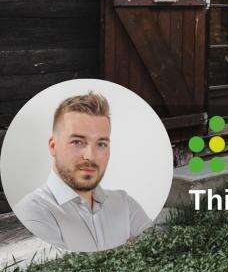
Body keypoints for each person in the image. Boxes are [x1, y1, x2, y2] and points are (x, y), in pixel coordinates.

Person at [13, 91, 152, 252]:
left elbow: (158, 251)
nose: (90, 156)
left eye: (101, 144)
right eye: (77, 142)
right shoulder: (31, 212)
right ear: (53, 146)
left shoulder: (124, 203)